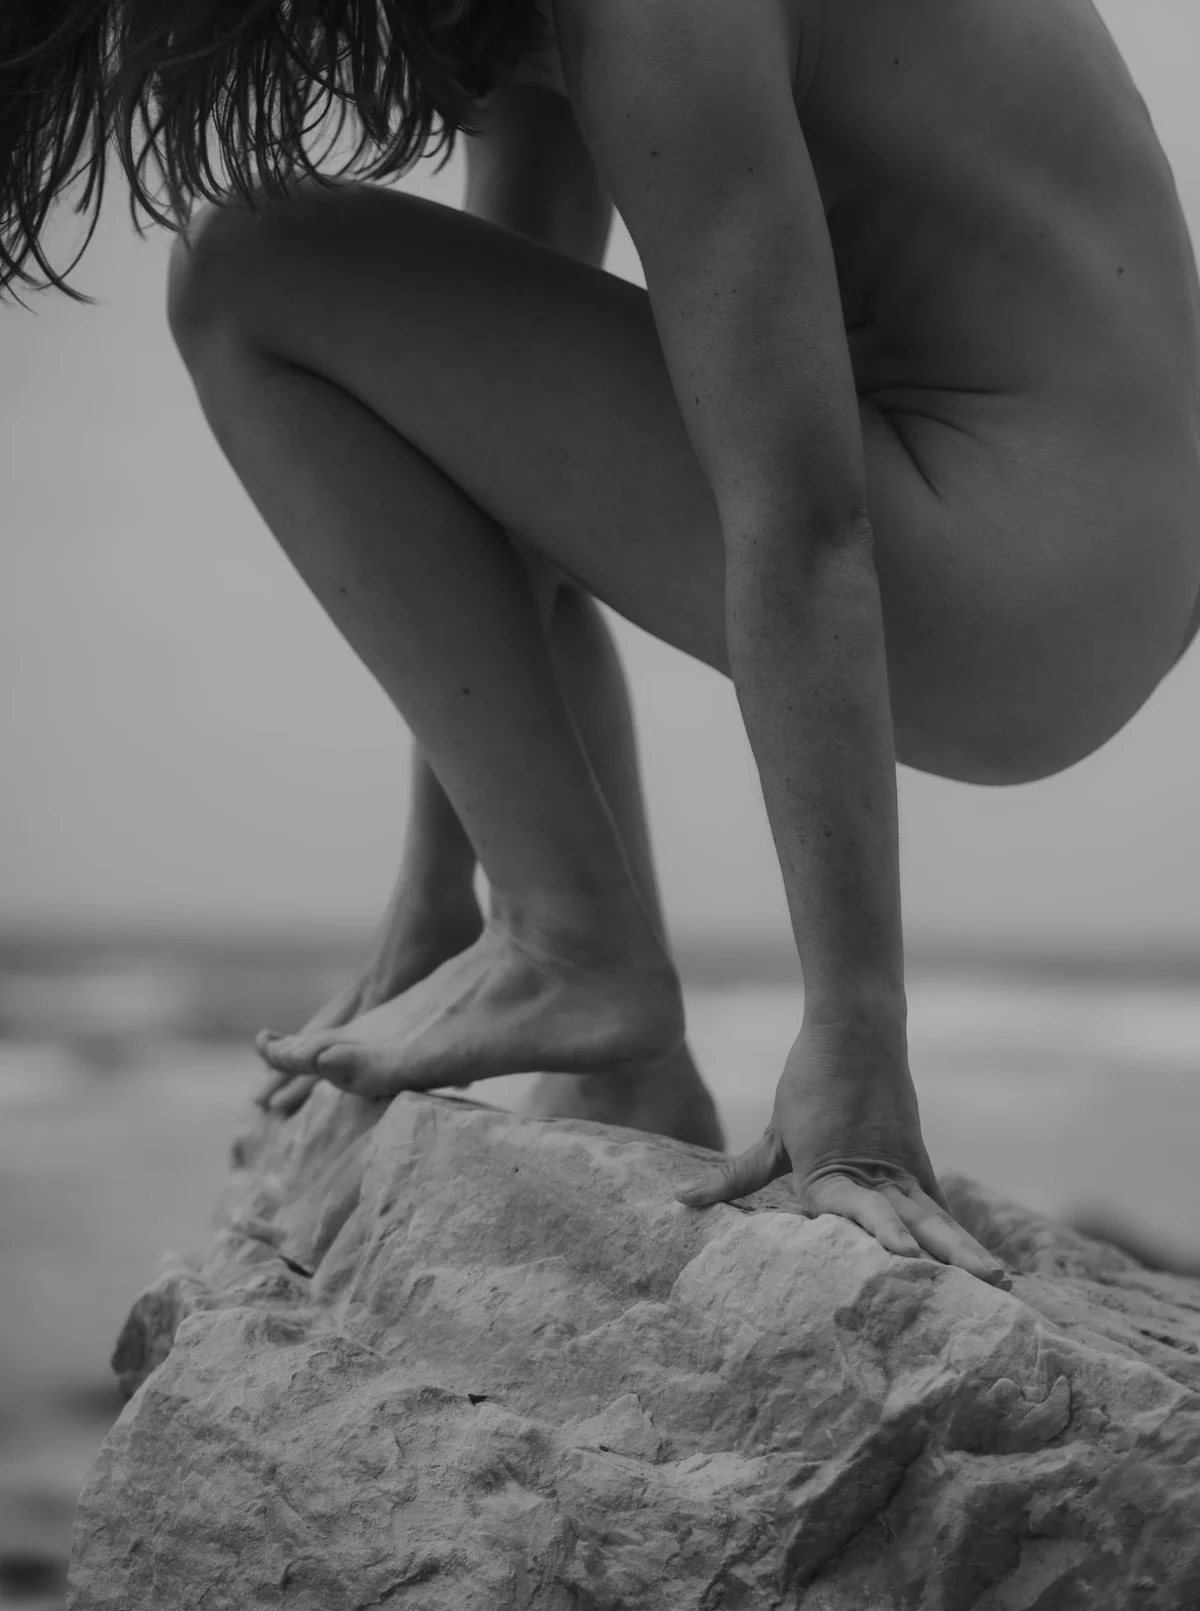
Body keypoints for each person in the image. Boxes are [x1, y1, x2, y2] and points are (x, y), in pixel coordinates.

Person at [6, 0, 1199, 1291]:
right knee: (361, 335)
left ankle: (581, 953)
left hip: (1020, 557)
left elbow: (801, 520)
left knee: (240, 270)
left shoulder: (649, 13)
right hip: (1092, 551)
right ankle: (602, 1033)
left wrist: (857, 1049)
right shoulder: (538, 24)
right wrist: (438, 911)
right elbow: (481, 465)